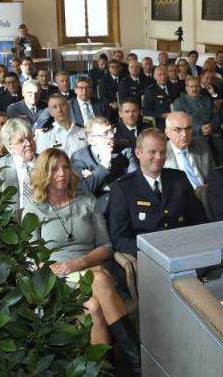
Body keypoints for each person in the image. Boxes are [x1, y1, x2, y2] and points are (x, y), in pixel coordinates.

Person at [22, 148, 140, 374]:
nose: (61, 173)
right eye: (54, 168)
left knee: (95, 307)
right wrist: (63, 269)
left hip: (90, 267)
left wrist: (80, 263)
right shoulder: (34, 210)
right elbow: (30, 259)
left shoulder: (86, 201)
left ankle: (106, 371)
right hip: (58, 278)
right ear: (43, 173)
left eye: (65, 167)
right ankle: (138, 363)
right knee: (100, 281)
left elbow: (106, 246)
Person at [107, 128, 207, 256]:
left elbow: (199, 220)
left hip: (186, 250)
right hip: (149, 257)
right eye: (152, 152)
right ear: (138, 153)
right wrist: (152, 253)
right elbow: (120, 239)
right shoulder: (123, 188)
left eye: (162, 152)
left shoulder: (179, 179)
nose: (159, 157)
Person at [70, 116, 136, 213]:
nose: (111, 136)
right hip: (96, 208)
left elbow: (135, 180)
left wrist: (97, 180)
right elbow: (83, 189)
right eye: (105, 133)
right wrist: (104, 165)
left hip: (124, 203)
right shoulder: (79, 157)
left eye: (111, 131)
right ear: (91, 140)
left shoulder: (125, 151)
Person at [172, 76, 223, 165]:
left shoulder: (207, 99)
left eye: (197, 86)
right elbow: (181, 123)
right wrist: (199, 129)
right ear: (186, 88)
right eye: (191, 86)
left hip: (212, 132)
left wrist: (211, 126)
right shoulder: (179, 102)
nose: (194, 89)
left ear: (200, 87)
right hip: (194, 135)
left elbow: (216, 117)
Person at [0, 118, 37, 213]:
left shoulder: (48, 162)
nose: (28, 143)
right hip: (13, 223)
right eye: (21, 141)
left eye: (29, 138)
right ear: (9, 148)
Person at [142, 65, 175, 130]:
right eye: (160, 75)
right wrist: (161, 115)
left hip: (175, 119)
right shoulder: (151, 90)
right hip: (160, 122)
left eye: (165, 74)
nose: (163, 77)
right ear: (155, 77)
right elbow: (145, 111)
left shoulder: (174, 87)